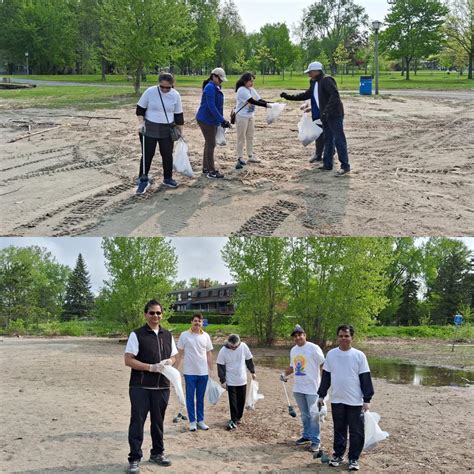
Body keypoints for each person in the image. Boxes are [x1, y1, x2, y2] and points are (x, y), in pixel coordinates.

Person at [124, 299, 178, 473]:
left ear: (162, 315)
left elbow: (175, 357)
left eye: (158, 313)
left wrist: (171, 360)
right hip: (140, 386)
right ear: (146, 314)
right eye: (152, 313)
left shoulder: (167, 335)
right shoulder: (137, 334)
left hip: (162, 387)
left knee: (158, 422)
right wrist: (150, 367)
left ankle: (157, 453)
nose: (155, 316)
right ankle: (134, 458)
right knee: (137, 422)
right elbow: (128, 360)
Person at [317, 325, 374, 471]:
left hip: (355, 401)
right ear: (337, 337)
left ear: (351, 338)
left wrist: (367, 399)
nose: (344, 339)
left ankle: (354, 458)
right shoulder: (331, 354)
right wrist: (321, 395)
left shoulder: (359, 355)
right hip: (337, 400)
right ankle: (338, 455)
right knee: (339, 429)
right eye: (341, 336)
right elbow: (326, 376)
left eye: (346, 336)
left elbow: (365, 377)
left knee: (356, 432)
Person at [280, 61, 350, 176]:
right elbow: (306, 95)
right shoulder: (314, 82)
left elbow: (335, 97)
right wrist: (288, 97)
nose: (309, 74)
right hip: (325, 115)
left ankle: (345, 166)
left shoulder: (327, 80)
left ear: (317, 71)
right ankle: (327, 164)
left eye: (310, 72)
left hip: (334, 114)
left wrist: (326, 111)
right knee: (327, 139)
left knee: (339, 139)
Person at [135, 73, 184, 194]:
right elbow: (140, 109)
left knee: (167, 154)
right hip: (149, 128)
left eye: (168, 87)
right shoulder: (150, 92)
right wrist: (141, 124)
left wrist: (180, 131)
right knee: (147, 154)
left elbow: (179, 116)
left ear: (172, 85)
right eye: (162, 87)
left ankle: (168, 178)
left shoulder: (175, 95)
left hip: (167, 129)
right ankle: (143, 177)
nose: (165, 89)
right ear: (159, 84)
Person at [280, 324, 325, 453]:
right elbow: (292, 367)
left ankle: (316, 441)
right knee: (305, 415)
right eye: (295, 336)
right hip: (298, 388)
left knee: (314, 415)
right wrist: (284, 374)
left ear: (305, 335)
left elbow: (323, 365)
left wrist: (324, 385)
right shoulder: (293, 350)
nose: (298, 337)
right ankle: (306, 436)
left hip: (313, 389)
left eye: (300, 335)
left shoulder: (313, 348)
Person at [175, 313, 214, 431]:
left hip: (203, 372)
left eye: (199, 321)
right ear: (191, 322)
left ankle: (200, 421)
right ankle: (192, 422)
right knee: (190, 398)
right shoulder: (184, 335)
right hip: (189, 372)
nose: (197, 323)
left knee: (200, 398)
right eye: (195, 321)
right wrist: (175, 368)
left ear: (202, 323)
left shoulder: (206, 336)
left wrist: (211, 369)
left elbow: (209, 353)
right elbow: (180, 353)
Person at [195, 67, 231, 179]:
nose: (221, 82)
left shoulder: (216, 87)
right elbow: (211, 106)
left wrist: (221, 120)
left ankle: (206, 168)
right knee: (211, 144)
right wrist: (222, 120)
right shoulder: (210, 87)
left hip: (212, 119)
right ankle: (211, 171)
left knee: (208, 143)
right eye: (219, 79)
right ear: (214, 76)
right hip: (206, 119)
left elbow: (218, 106)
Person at [216, 334, 257, 430]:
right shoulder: (223, 351)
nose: (233, 348)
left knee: (241, 400)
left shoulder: (243, 346)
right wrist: (223, 380)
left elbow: (249, 359)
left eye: (235, 346)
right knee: (233, 401)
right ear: (228, 344)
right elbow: (220, 366)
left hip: (242, 378)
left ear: (239, 343)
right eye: (231, 346)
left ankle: (239, 417)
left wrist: (252, 371)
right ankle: (233, 419)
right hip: (230, 380)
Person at [233, 72, 272, 169]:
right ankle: (240, 157)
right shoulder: (241, 90)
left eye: (252, 81)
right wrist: (265, 105)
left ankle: (250, 156)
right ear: (245, 81)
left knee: (250, 136)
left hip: (250, 116)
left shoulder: (251, 89)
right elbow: (252, 101)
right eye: (250, 81)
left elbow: (259, 99)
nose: (252, 83)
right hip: (241, 117)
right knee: (241, 137)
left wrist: (271, 104)